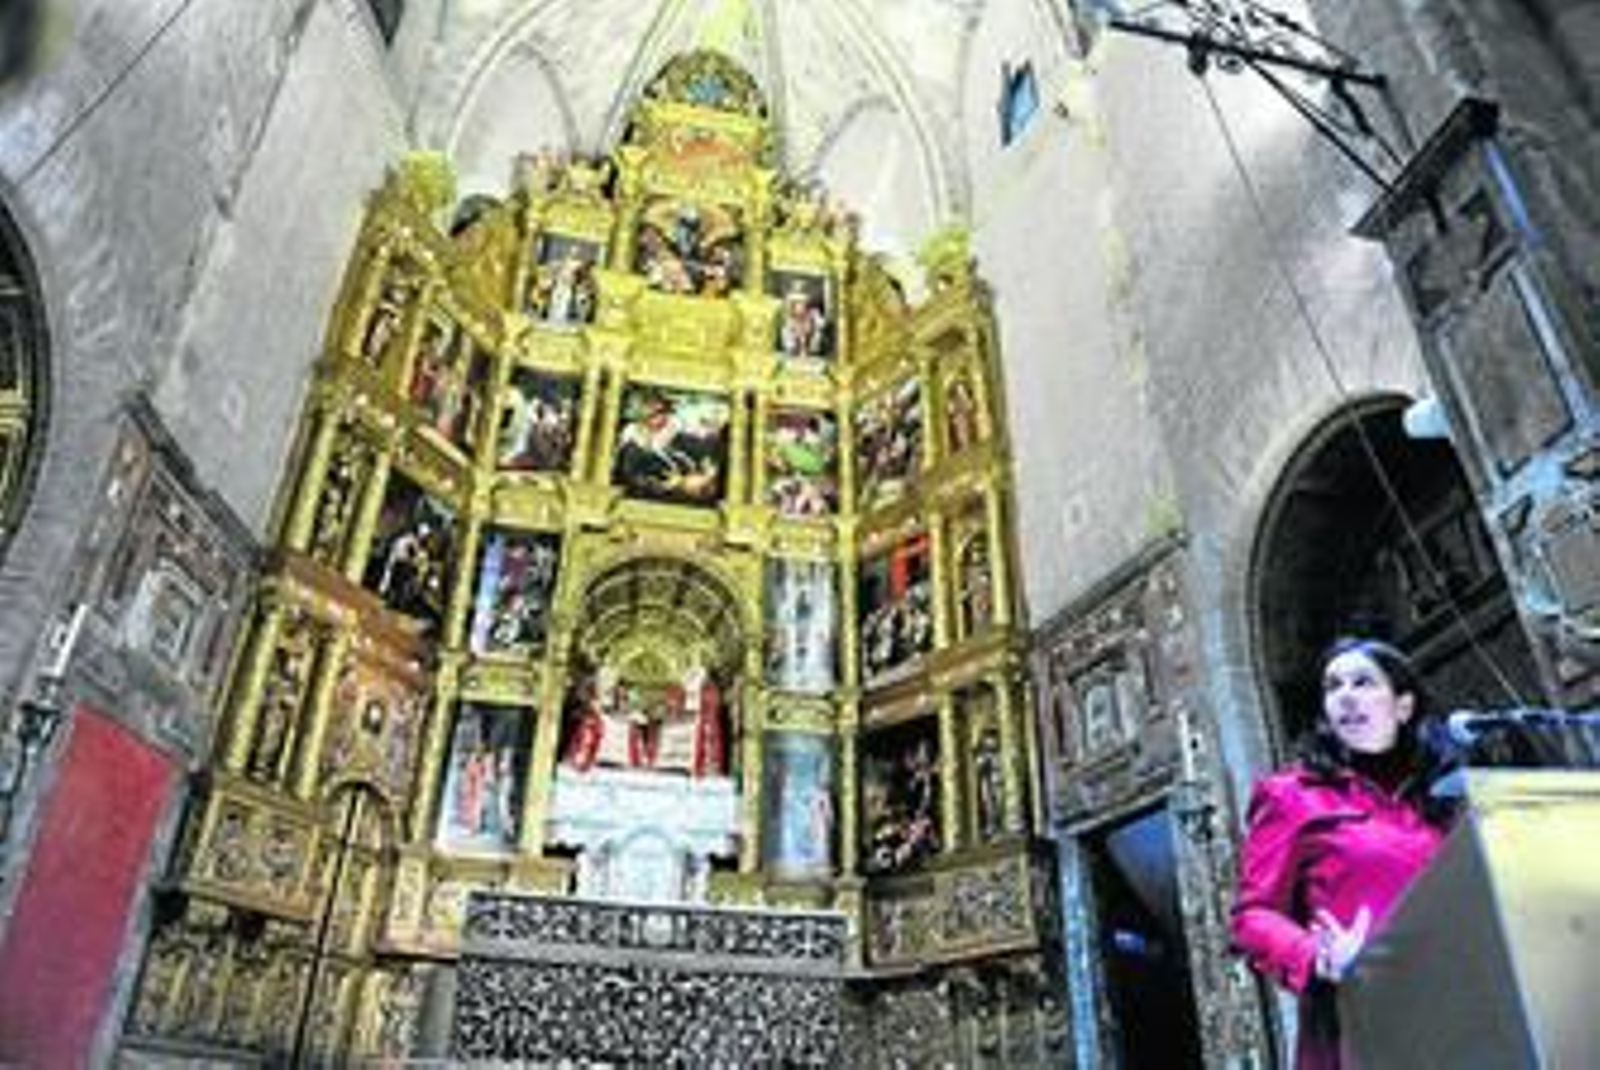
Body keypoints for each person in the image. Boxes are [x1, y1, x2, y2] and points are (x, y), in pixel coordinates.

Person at [1231, 637, 1457, 1069]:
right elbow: (1251, 915)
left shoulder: (1441, 799)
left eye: (1363, 682)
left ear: (1403, 706)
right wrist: (1315, 956)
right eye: (1333, 686)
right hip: (1359, 1024)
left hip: (1456, 1012)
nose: (1345, 696)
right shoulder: (1291, 795)